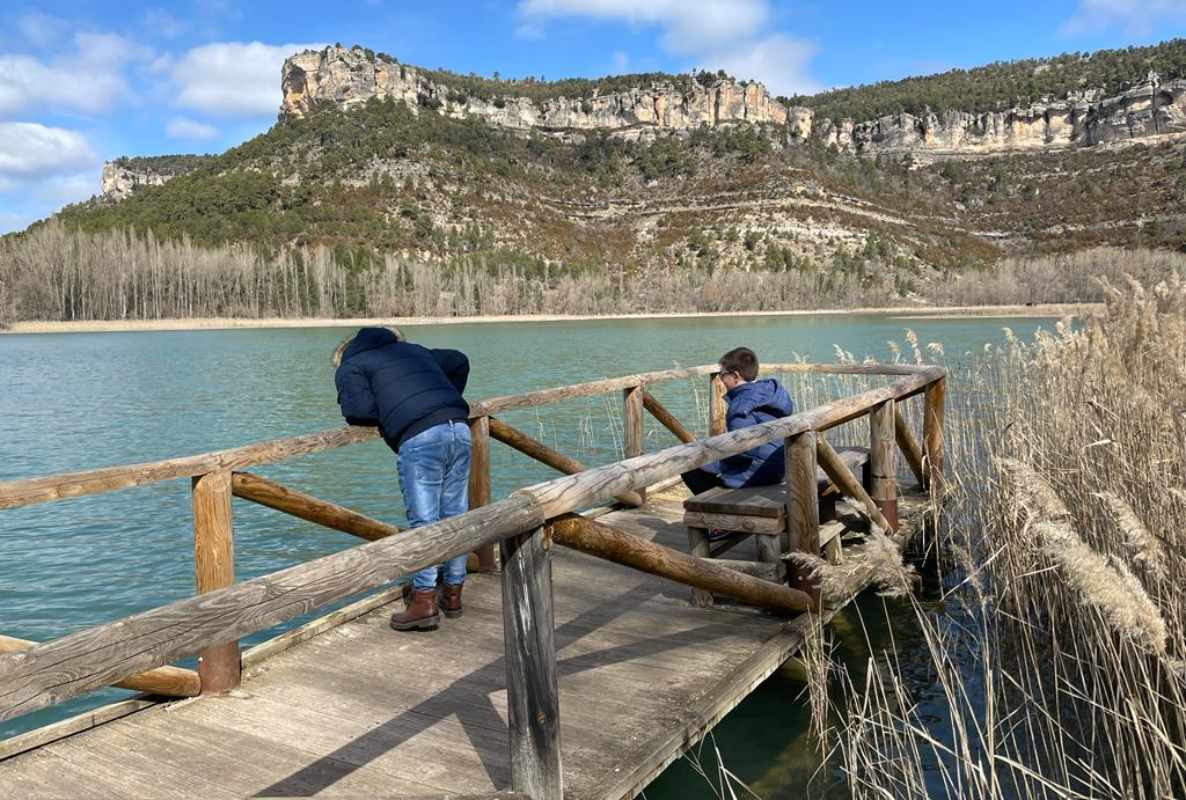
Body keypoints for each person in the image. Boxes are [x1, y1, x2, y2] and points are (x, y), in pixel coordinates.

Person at [332, 326, 472, 632]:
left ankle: (423, 601)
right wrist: (441, 398)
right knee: (455, 517)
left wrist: (394, 411)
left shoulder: (351, 366)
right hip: (458, 427)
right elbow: (459, 360)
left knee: (424, 522)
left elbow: (358, 410)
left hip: (421, 437)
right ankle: (452, 594)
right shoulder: (415, 350)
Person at [682, 347, 794, 497]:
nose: (721, 380)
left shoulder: (741, 405)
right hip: (781, 467)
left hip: (759, 474)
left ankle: (716, 507)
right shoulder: (771, 393)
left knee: (689, 468)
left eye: (722, 375)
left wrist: (712, 454)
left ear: (735, 376)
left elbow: (742, 449)